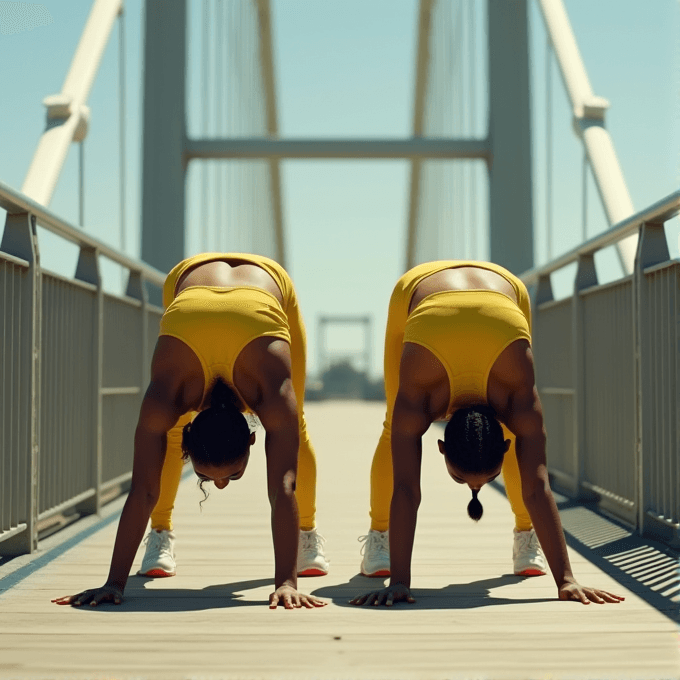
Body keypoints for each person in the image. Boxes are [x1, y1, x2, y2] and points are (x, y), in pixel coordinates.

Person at [53, 253, 328, 610]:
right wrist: (285, 584)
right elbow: (283, 487)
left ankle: (163, 533)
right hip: (217, 285)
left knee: (293, 423)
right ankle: (302, 536)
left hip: (231, 283)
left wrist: (114, 583)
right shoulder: (264, 392)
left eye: (226, 475)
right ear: (251, 437)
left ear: (251, 437)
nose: (219, 485)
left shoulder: (171, 397)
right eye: (214, 475)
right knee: (293, 425)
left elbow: (142, 490)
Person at [351, 260, 625, 607]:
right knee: (396, 423)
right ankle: (385, 533)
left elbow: (407, 489)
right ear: (441, 446)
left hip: (498, 298)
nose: (475, 489)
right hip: (431, 291)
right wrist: (566, 580)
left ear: (442, 450)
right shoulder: (509, 399)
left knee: (397, 428)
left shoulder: (430, 397)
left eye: (463, 479)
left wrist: (400, 582)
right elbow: (537, 487)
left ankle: (381, 540)